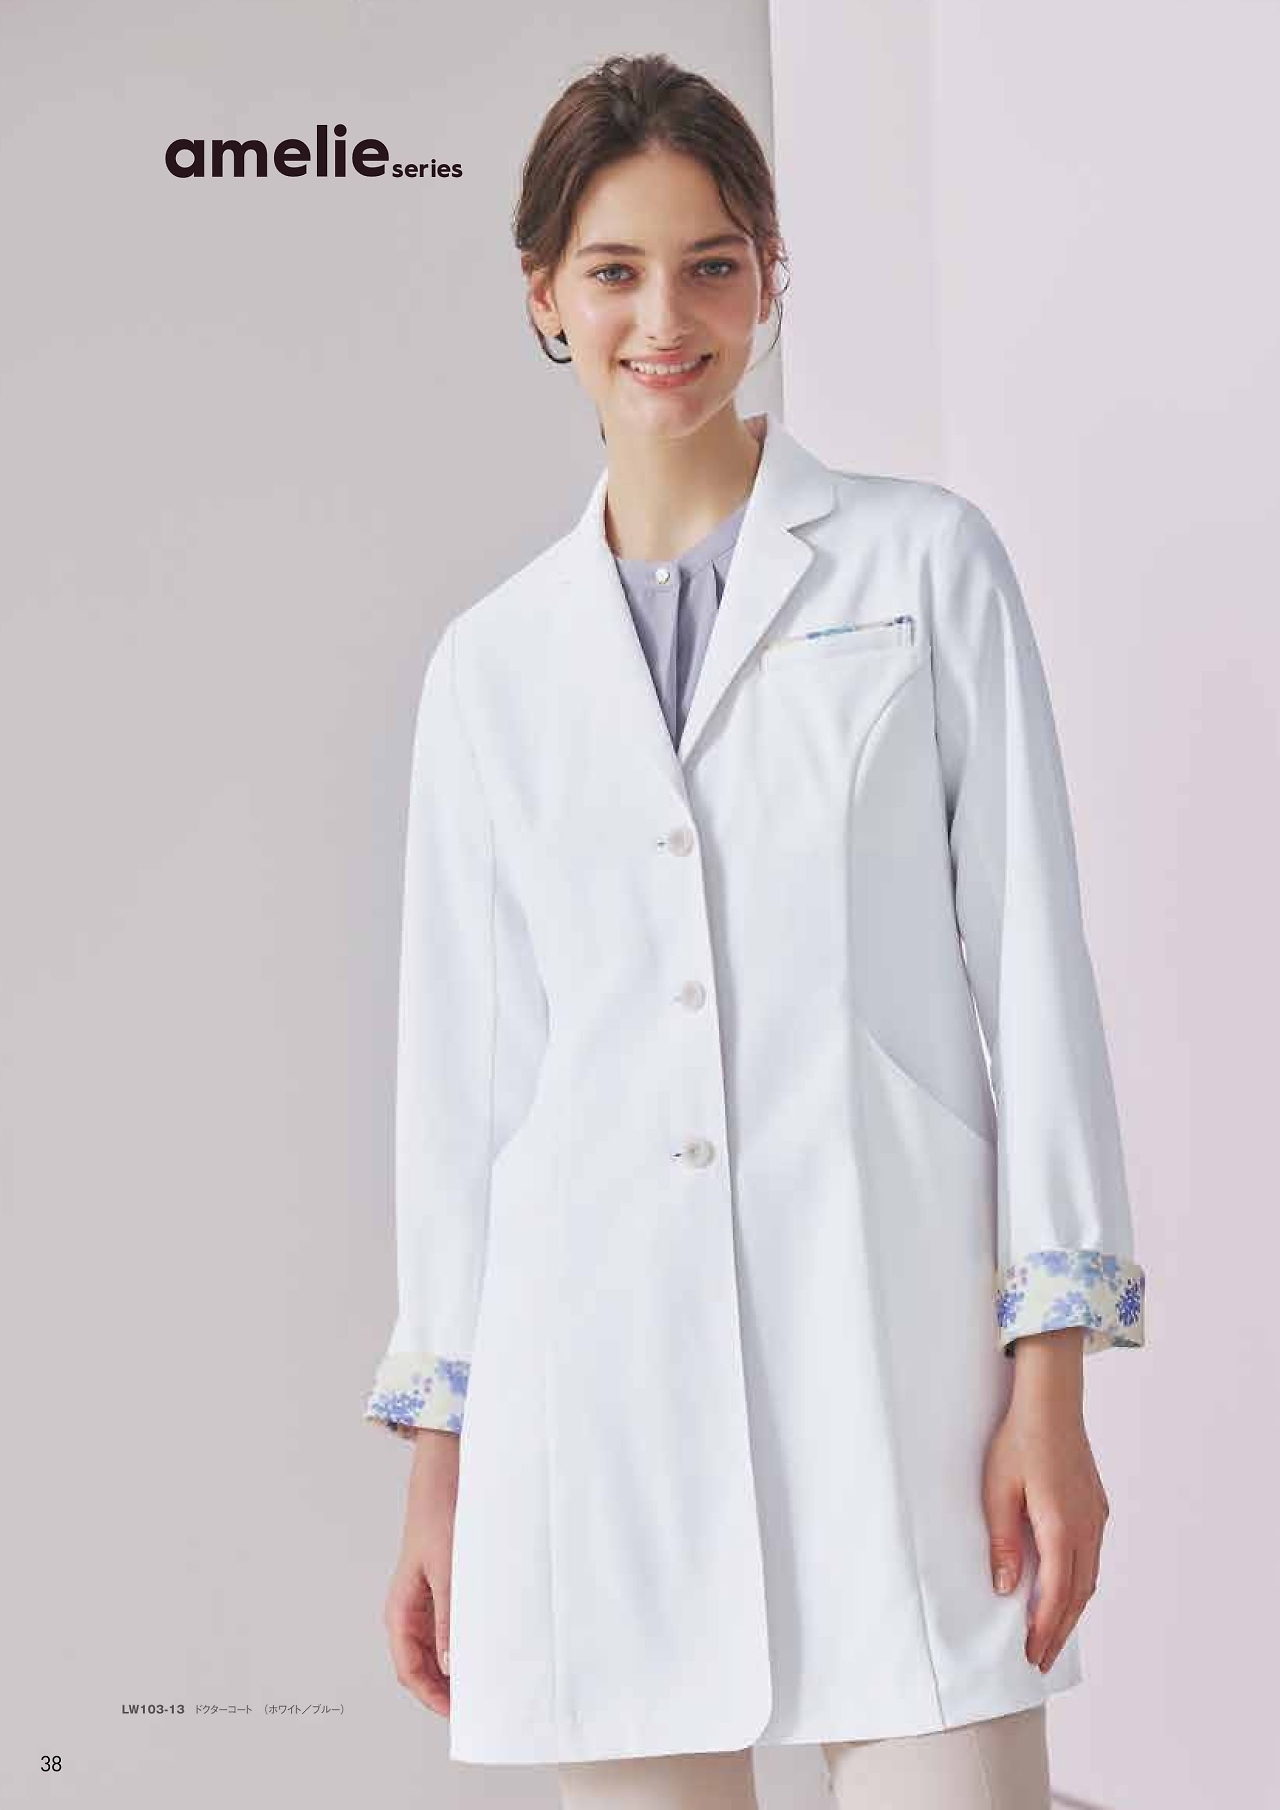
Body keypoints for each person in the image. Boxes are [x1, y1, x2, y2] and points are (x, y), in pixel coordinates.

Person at [363, 52, 1146, 1810]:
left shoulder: (924, 568)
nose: (667, 319)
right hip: (593, 1403)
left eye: (712, 265)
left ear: (771, 275)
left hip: (897, 1374)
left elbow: (1035, 974)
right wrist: (441, 1471)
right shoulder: (491, 668)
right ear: (545, 296)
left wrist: (1051, 1387)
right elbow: (469, 1090)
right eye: (616, 271)